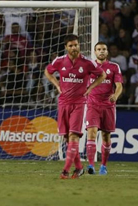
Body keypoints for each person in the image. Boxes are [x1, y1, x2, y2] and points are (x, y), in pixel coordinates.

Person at [44, 34, 106, 179]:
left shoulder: (87, 63)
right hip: (63, 103)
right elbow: (48, 71)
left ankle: (65, 170)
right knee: (67, 138)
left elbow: (102, 75)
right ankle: (78, 168)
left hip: (79, 104)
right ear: (66, 47)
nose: (74, 48)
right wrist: (57, 84)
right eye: (71, 46)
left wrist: (90, 88)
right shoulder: (59, 61)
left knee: (73, 136)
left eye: (76, 45)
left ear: (79, 46)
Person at [86, 42, 123, 175]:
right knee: (91, 134)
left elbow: (119, 85)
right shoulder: (89, 66)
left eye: (104, 49)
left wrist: (115, 95)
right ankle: (90, 165)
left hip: (108, 106)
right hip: (92, 105)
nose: (101, 51)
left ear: (107, 52)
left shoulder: (114, 67)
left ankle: (103, 166)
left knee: (106, 136)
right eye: (99, 49)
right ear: (95, 52)